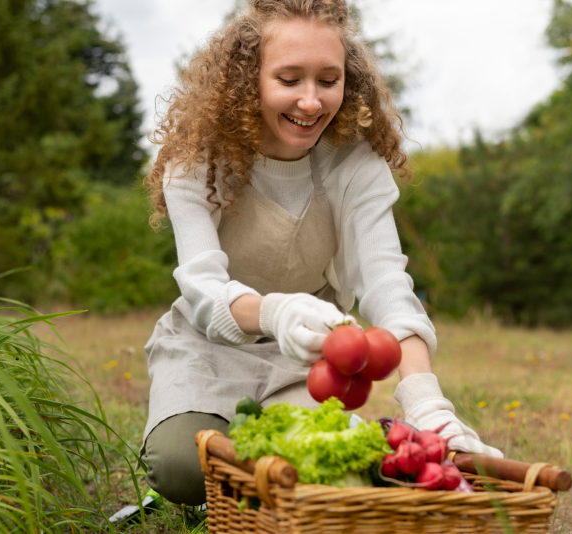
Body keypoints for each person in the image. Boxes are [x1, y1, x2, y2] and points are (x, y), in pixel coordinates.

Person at [139, 0, 502, 507]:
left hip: (309, 362)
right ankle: (227, 478)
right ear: (249, 80)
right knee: (181, 469)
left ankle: (260, 489)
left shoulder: (357, 163)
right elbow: (202, 289)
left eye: (327, 81)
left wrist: (425, 401)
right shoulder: (199, 161)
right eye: (289, 80)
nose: (311, 102)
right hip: (208, 350)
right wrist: (276, 310)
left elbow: (386, 286)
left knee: (342, 472)